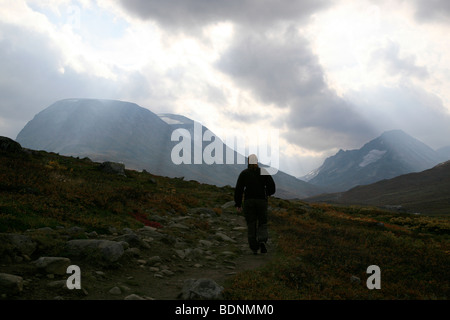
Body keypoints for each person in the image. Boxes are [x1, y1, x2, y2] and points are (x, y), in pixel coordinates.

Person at [234, 154, 276, 255]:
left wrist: (238, 204)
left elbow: (239, 190)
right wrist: (268, 193)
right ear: (257, 161)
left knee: (251, 224)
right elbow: (272, 186)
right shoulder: (263, 172)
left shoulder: (244, 173)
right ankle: (262, 241)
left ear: (248, 162)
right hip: (261, 201)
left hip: (249, 202)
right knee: (262, 222)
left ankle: (254, 248)